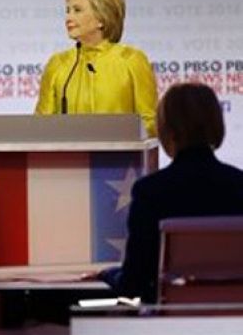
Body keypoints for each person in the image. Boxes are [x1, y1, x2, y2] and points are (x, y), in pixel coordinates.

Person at [99, 82, 243, 302]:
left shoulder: (150, 192)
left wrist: (107, 274)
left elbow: (132, 283)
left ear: (166, 129)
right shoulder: (239, 185)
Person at [35, 0, 158, 136]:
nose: (68, 18)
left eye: (77, 10)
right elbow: (40, 127)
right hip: (69, 159)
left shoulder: (131, 60)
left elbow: (150, 122)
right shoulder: (58, 63)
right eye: (68, 10)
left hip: (121, 159)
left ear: (101, 17)